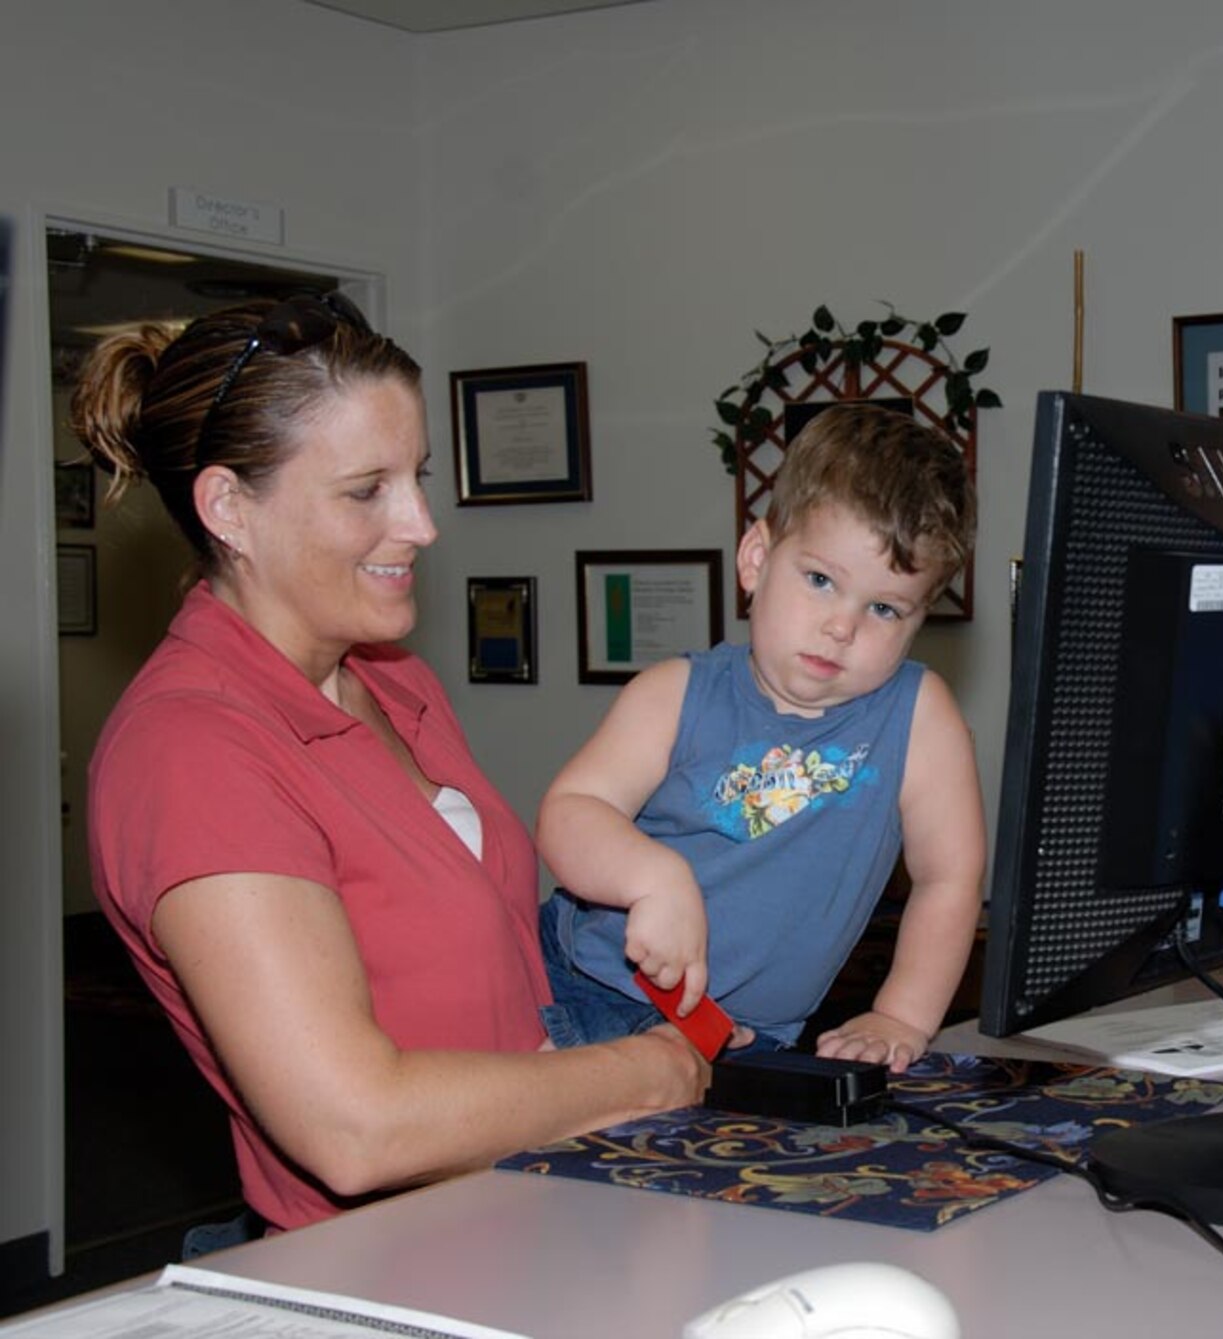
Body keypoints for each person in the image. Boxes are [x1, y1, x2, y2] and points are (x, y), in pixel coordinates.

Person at [76, 294, 709, 1235]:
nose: (420, 522)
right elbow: (353, 1124)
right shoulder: (192, 750)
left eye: (417, 477)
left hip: (530, 1208)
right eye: (366, 489)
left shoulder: (392, 680)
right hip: (392, 1256)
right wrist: (647, 1071)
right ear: (228, 508)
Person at [537, 403, 984, 1072]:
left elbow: (950, 877)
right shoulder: (675, 693)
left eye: (884, 607)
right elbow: (569, 812)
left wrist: (903, 1014)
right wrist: (653, 878)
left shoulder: (920, 717)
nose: (843, 625)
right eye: (821, 580)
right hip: (589, 989)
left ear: (919, 618)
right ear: (756, 558)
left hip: (749, 1042)